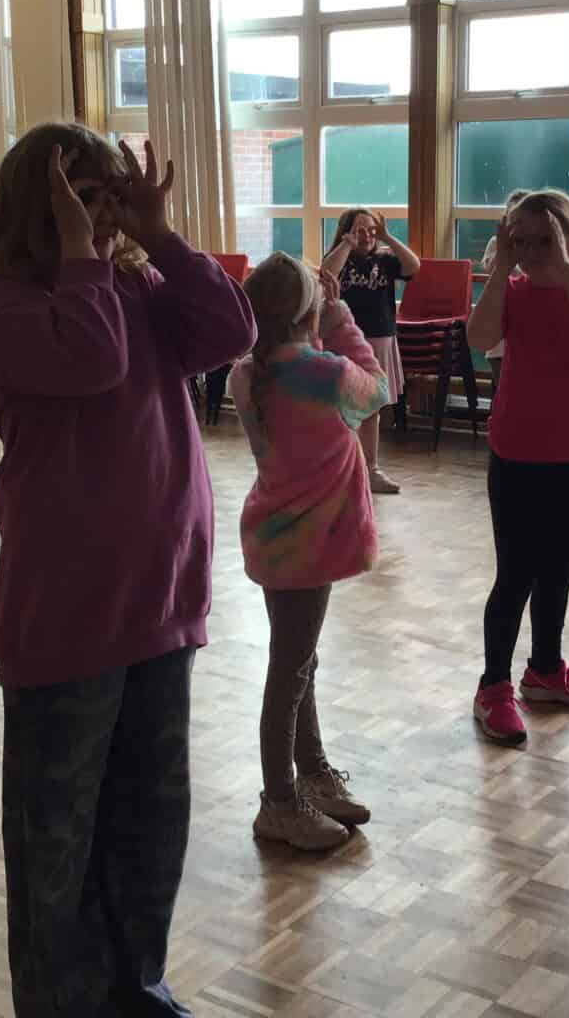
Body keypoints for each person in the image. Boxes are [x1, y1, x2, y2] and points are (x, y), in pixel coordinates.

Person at [0, 124, 255, 1017]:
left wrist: (159, 235)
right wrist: (83, 256)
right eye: (80, 196)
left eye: (108, 196)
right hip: (67, 611)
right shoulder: (0, 300)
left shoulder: (135, 281)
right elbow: (91, 362)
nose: (100, 215)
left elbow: (230, 331)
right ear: (36, 204)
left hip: (162, 596)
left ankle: (137, 989)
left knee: (149, 824)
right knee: (56, 842)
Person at [231, 253, 389, 852]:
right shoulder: (325, 372)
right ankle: (279, 801)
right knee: (291, 671)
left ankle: (314, 774)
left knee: (299, 661)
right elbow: (378, 389)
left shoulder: (249, 373)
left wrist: (318, 321)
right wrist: (343, 317)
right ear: (308, 312)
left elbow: (304, 366)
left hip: (275, 539)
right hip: (309, 545)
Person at [465, 190, 569, 746]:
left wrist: (563, 267)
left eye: (544, 241)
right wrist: (501, 269)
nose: (532, 252)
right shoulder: (509, 292)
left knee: (558, 571)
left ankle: (546, 671)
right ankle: (493, 686)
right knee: (515, 576)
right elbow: (479, 337)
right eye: (521, 241)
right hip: (516, 457)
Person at [321, 208, 420, 495]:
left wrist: (388, 237)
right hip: (346, 340)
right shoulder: (341, 256)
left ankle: (370, 468)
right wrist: (347, 244)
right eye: (359, 230)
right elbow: (327, 271)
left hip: (380, 340)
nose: (367, 236)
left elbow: (413, 266)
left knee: (372, 406)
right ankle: (341, 467)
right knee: (340, 406)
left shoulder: (385, 259)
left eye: (371, 230)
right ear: (347, 232)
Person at [480, 188, 531, 399]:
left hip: (524, 315)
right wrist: (504, 249)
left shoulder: (536, 247)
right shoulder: (496, 242)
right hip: (500, 313)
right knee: (502, 383)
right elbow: (489, 267)